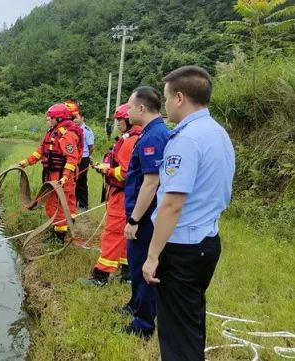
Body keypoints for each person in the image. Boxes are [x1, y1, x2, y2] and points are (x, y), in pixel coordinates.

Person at [143, 66, 235, 360]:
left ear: (180, 97)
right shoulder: (217, 133)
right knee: (190, 320)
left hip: (182, 248)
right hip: (208, 240)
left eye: (168, 98)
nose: (166, 105)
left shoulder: (185, 140)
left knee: (176, 334)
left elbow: (172, 204)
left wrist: (153, 256)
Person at [122, 86, 169, 338]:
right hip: (143, 215)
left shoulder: (153, 137)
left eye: (130, 106)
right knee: (135, 263)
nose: (127, 111)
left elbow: (151, 182)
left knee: (143, 266)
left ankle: (143, 325)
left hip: (145, 218)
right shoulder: (151, 132)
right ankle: (135, 305)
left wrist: (134, 219)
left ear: (141, 108)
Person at [79, 104, 141, 286]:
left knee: (112, 233)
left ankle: (101, 276)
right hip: (129, 194)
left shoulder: (129, 141)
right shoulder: (134, 138)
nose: (118, 124)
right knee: (124, 234)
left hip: (122, 195)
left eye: (120, 121)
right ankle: (127, 274)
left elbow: (124, 172)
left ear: (129, 120)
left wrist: (106, 170)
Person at [19, 103, 83, 242]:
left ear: (59, 119)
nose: (47, 120)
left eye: (50, 118)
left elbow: (72, 159)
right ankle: (65, 226)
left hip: (60, 176)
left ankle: (58, 237)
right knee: (66, 203)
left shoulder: (67, 135)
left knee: (57, 204)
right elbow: (42, 151)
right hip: (55, 174)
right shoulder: (53, 132)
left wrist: (65, 177)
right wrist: (27, 162)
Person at [66, 99, 94, 211]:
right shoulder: (72, 129)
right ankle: (74, 201)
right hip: (74, 158)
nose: (75, 119)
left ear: (82, 118)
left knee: (82, 181)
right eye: (74, 117)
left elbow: (91, 147)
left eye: (77, 117)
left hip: (83, 158)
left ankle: (83, 204)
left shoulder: (87, 131)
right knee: (74, 181)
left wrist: (87, 157)